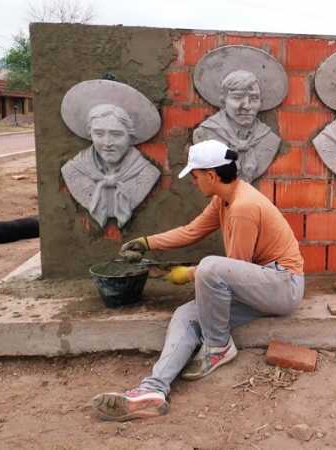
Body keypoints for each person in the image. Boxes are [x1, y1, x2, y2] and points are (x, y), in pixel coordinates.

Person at [91, 139, 305, 422]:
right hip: (258, 286)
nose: (194, 182)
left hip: (282, 286)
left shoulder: (243, 207)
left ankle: (218, 347)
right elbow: (191, 231)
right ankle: (153, 389)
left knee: (209, 267)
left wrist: (189, 273)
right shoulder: (224, 199)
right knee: (185, 315)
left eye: (195, 176)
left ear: (212, 175)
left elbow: (234, 267)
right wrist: (147, 242)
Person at [60, 104, 160, 228]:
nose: (107, 143)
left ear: (130, 136)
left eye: (116, 134)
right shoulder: (74, 170)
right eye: (99, 134)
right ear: (90, 135)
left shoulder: (147, 172)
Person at [193, 70, 281, 183]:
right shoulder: (205, 135)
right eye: (237, 97)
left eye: (254, 98)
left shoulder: (269, 140)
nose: (246, 106)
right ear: (223, 101)